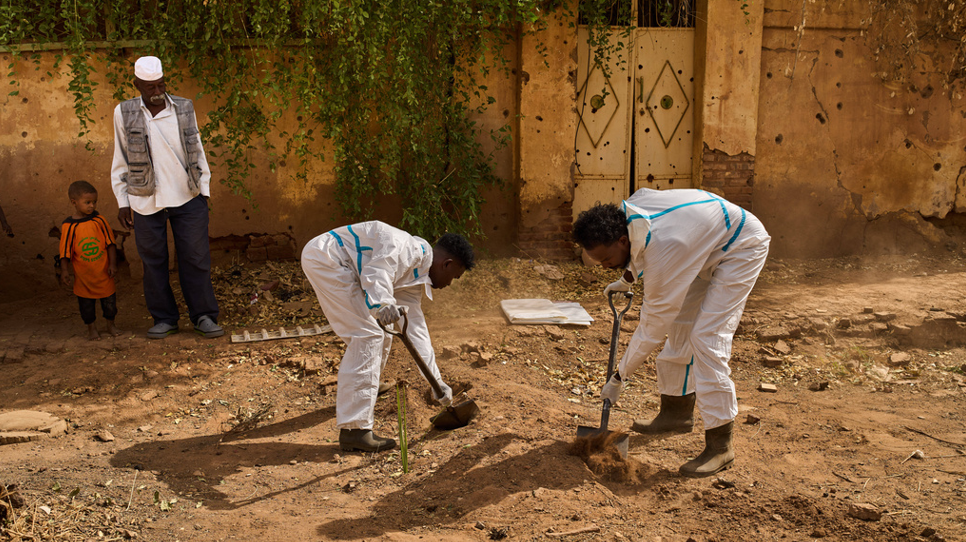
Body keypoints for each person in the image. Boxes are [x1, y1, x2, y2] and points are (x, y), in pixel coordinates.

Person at [572, 188, 770, 477]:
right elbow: (640, 247)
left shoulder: (666, 249)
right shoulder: (630, 213)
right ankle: (675, 413)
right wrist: (627, 277)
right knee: (680, 327)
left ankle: (720, 446)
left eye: (605, 260)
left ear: (622, 240)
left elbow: (652, 328)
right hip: (703, 246)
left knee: (706, 337)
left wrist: (619, 377)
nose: (603, 267)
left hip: (741, 247)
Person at [301, 221, 475, 452]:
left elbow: (415, 329)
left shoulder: (414, 276)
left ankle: (367, 387)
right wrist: (382, 303)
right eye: (455, 276)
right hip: (328, 259)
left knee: (383, 334)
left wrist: (436, 381)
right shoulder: (405, 249)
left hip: (343, 265)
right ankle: (355, 430)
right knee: (368, 336)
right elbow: (377, 272)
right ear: (447, 264)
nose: (450, 283)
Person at [110, 56, 223, 339]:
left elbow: (197, 147)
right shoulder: (123, 112)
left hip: (188, 195)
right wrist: (123, 201)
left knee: (196, 258)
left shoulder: (183, 107)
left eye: (161, 84)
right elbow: (120, 156)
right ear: (137, 85)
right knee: (153, 262)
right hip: (145, 199)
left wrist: (204, 190)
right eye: (150, 87)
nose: (157, 91)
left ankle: (204, 316)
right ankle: (164, 318)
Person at [59, 181, 122, 341]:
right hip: (83, 276)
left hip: (103, 273)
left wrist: (113, 264)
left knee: (109, 304)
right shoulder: (69, 226)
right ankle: (92, 329)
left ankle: (110, 325)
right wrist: (65, 270)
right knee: (86, 306)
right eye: (87, 202)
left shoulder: (99, 220)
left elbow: (110, 243)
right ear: (74, 202)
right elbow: (65, 251)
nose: (92, 206)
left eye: (94, 202)